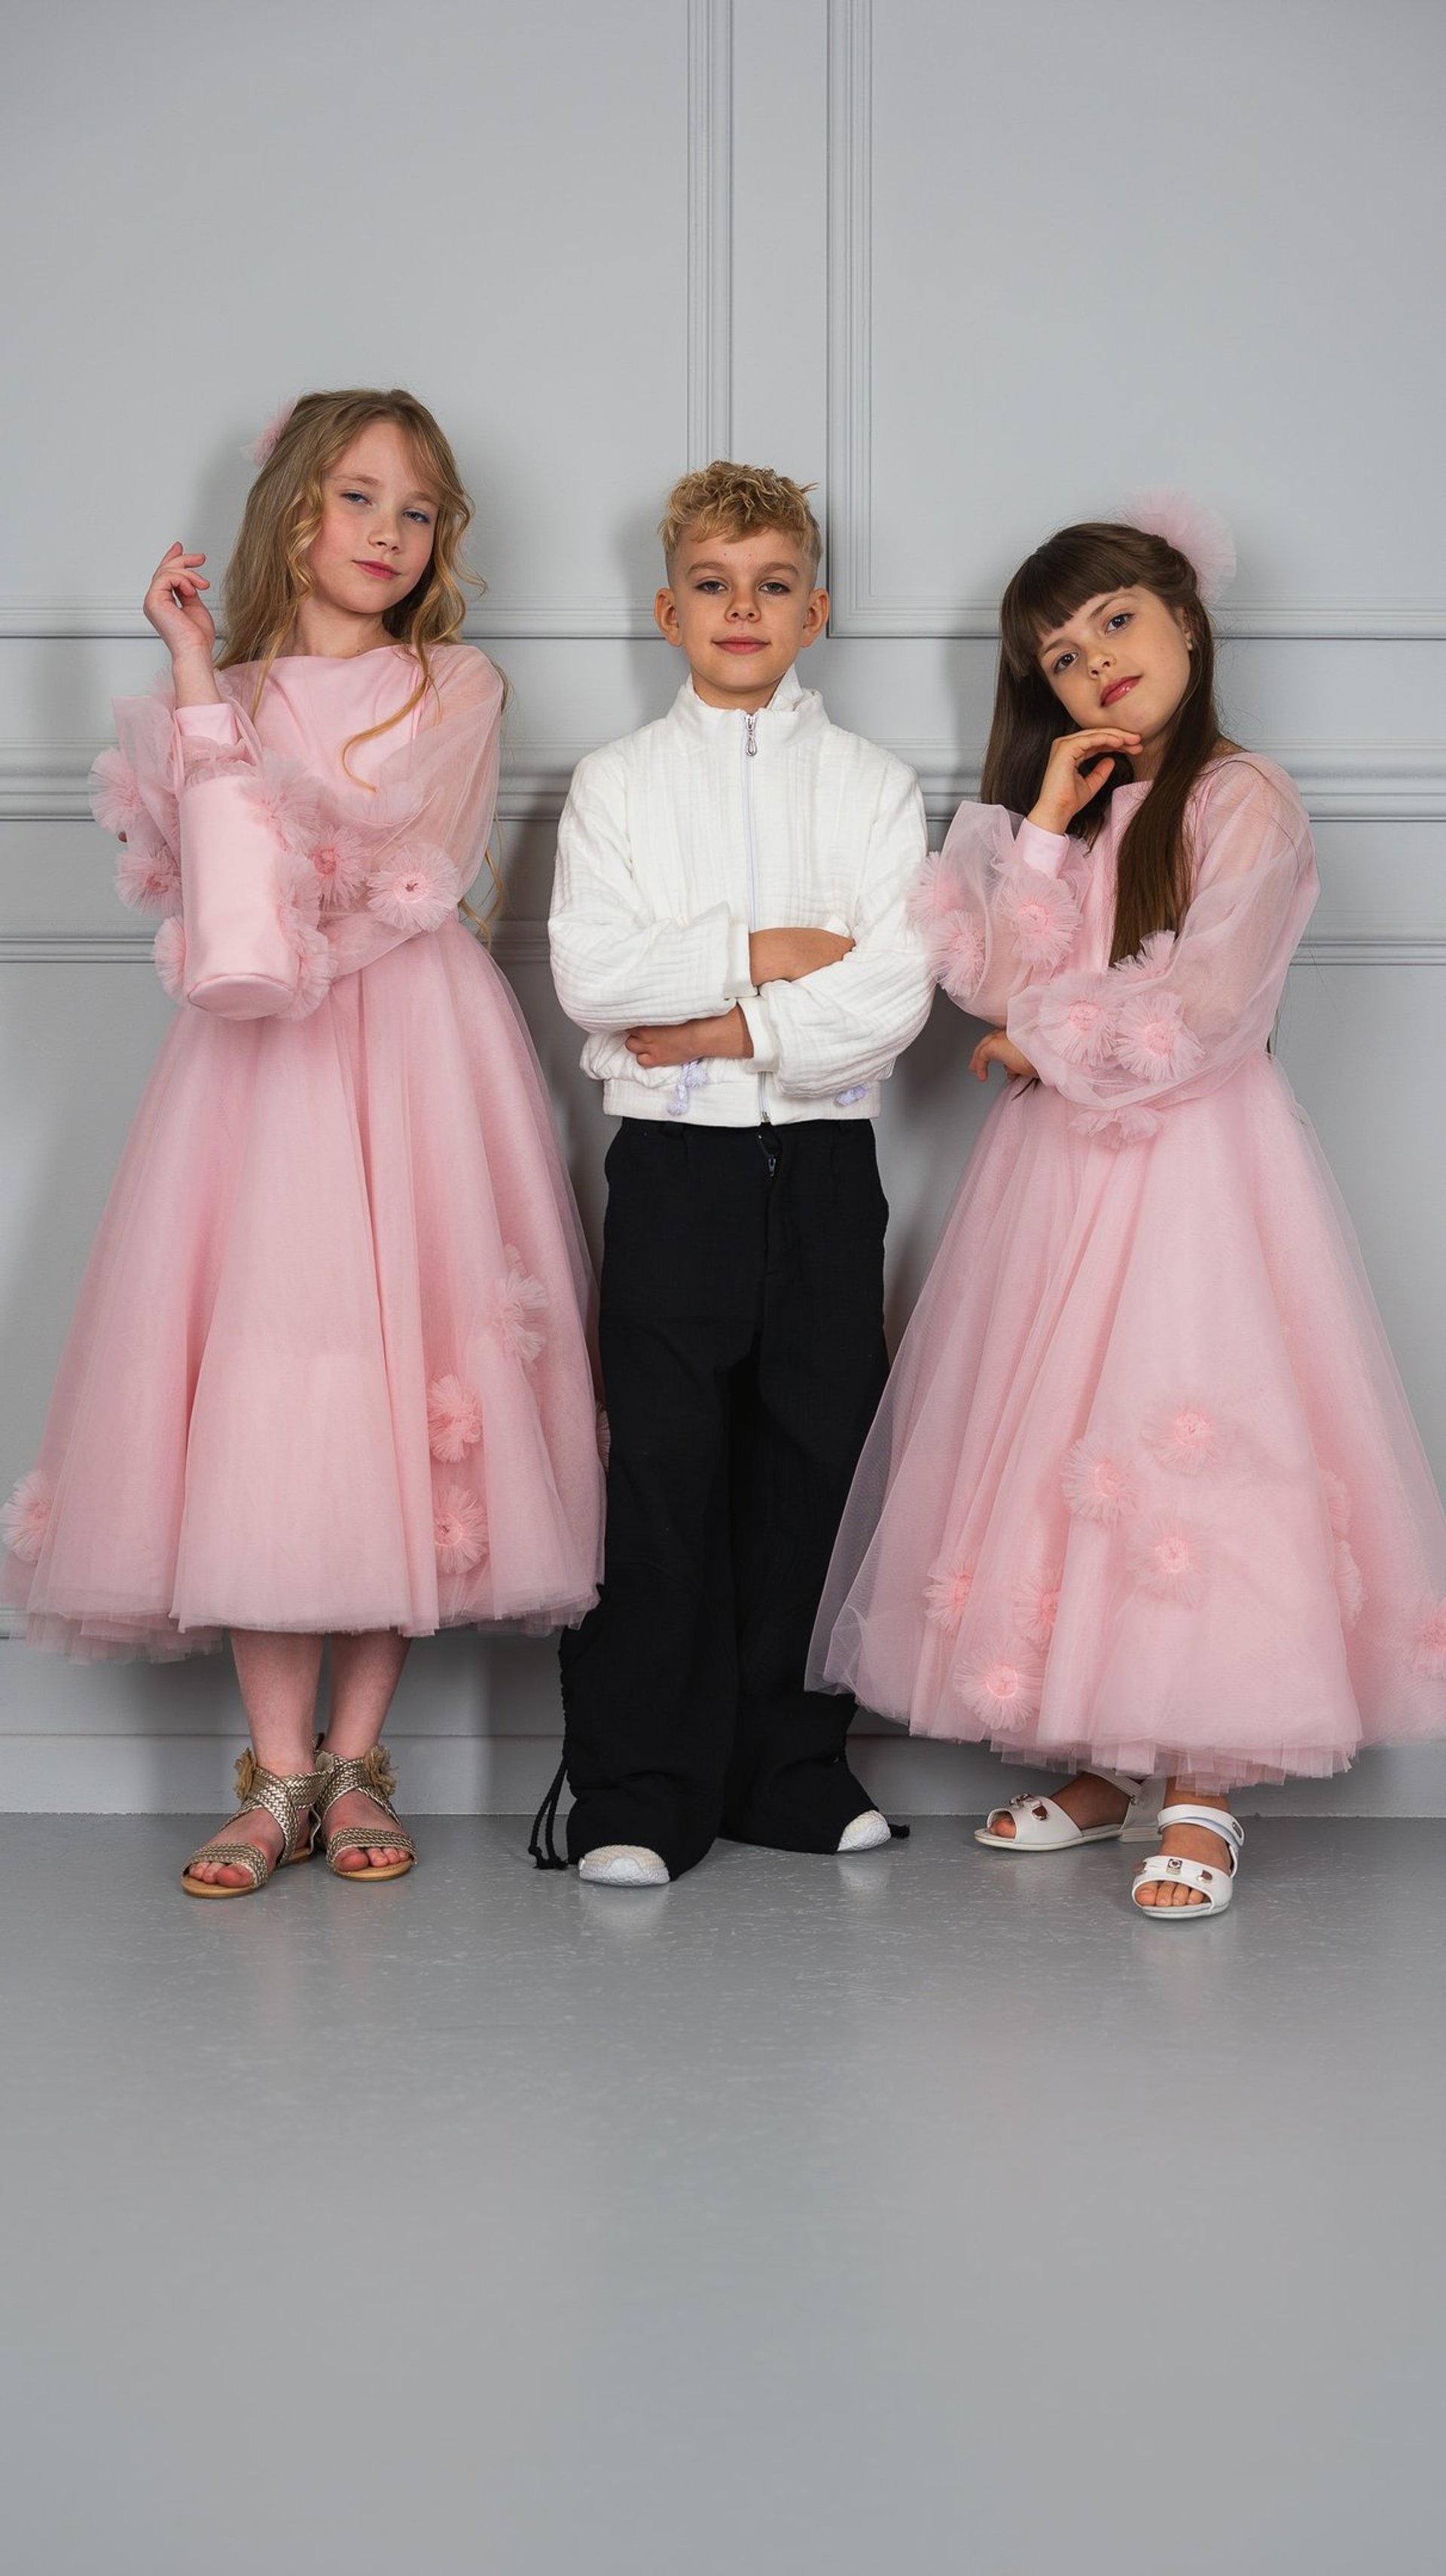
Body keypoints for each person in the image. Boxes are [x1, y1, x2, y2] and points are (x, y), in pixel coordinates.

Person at [2, 388, 603, 1896]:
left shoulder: (455, 682)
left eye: (419, 510)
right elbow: (212, 903)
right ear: (294, 515)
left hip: (410, 1051)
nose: (390, 532)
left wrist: (270, 873)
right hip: (258, 1076)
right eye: (358, 496)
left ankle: (355, 1761)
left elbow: (409, 873)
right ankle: (274, 1773)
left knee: (404, 1376)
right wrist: (193, 669)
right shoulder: (229, 694)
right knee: (276, 1386)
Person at [809, 498, 1446, 1918]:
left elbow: (1209, 997)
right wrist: (1042, 823)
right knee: (1066, 1446)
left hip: (1196, 1174)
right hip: (1056, 1184)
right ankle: (1106, 1759)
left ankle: (1203, 1782)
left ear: (1186, 622)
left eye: (1116, 621)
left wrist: (1051, 1042)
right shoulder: (1087, 808)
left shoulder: (1242, 798)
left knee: (1187, 1440)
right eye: (1060, 652)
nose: (1095, 660)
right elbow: (988, 972)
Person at [538, 459, 934, 1885]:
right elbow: (595, 974)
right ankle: (641, 1786)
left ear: (815, 610)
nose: (743, 607)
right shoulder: (617, 784)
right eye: (713, 584)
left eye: (774, 584)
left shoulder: (876, 787)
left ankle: (791, 1766)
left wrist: (718, 1022)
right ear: (670, 611)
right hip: (673, 1166)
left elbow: (892, 991)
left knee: (815, 1454)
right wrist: (768, 953)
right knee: (661, 1463)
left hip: (826, 1164)